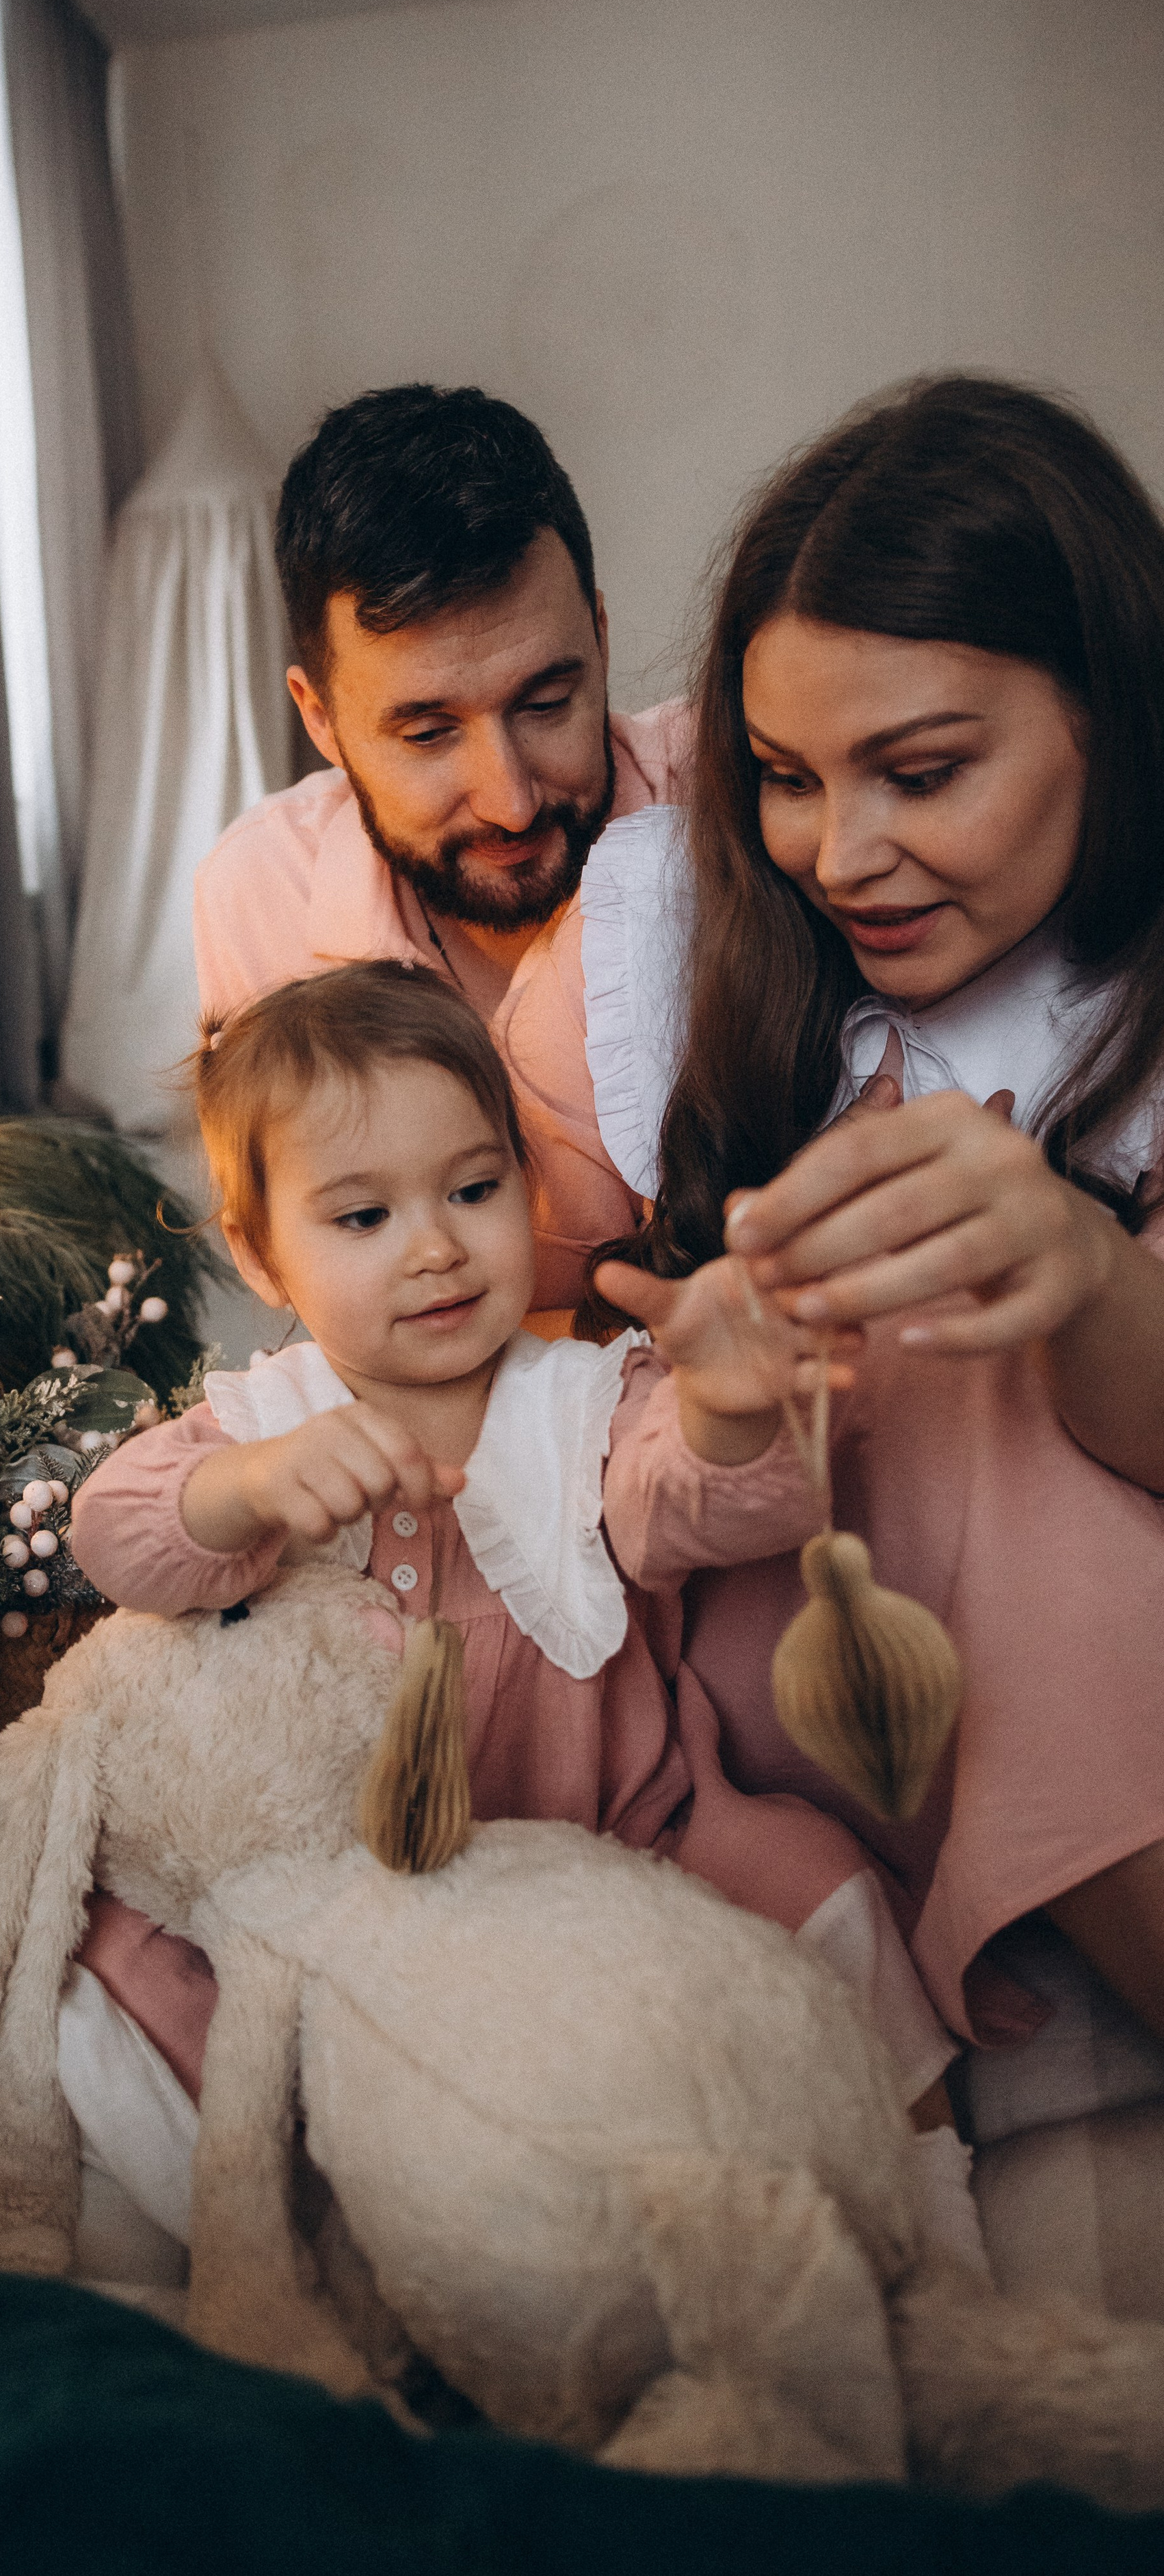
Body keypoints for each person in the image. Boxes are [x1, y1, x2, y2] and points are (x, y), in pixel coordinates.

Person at [497, 379, 1164, 2289]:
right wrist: (688, 1355)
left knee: (1012, 1385)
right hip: (772, 1612)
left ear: (1110, 723)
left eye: (922, 770)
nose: (836, 851)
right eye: (784, 774)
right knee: (965, 1391)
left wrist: (1092, 1279)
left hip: (1052, 1595)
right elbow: (497, 1341)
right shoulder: (658, 970)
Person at [62, 963, 982, 2281]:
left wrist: (724, 1403)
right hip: (347, 1871)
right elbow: (118, 1531)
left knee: (824, 1889)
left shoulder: (585, 1398)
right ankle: (166, 2247)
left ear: (526, 1192)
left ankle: (930, 2216)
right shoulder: (269, 1417)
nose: (435, 1246)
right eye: (364, 1215)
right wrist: (244, 1490)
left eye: (475, 1191)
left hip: (620, 1824)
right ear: (262, 1252)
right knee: (131, 1978)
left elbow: (696, 1508)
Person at [191, 386, 688, 1310]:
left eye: (546, 704)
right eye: (428, 734)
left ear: (602, 636)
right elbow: (310, 1266)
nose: (511, 801)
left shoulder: (733, 794)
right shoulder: (261, 890)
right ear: (321, 719)